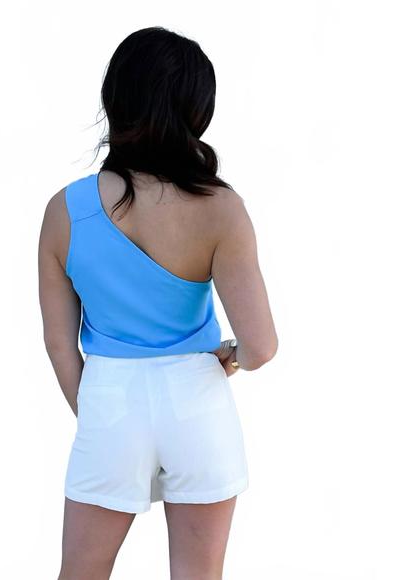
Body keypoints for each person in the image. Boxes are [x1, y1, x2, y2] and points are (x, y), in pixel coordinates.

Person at [38, 26, 278, 580]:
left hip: (110, 396)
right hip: (197, 400)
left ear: (115, 99)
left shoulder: (63, 211)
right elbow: (262, 346)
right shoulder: (220, 208)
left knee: (81, 571)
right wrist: (232, 356)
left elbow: (59, 344)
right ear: (197, 110)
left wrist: (98, 415)